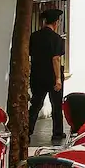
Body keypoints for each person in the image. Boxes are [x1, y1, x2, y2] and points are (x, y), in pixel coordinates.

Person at [29, 8, 65, 142]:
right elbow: (56, 59)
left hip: (37, 75)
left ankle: (27, 130)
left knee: (35, 105)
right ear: (56, 22)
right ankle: (57, 133)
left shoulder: (34, 36)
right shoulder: (57, 39)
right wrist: (58, 79)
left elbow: (30, 55)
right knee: (56, 105)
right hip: (52, 77)